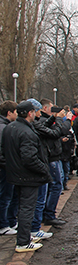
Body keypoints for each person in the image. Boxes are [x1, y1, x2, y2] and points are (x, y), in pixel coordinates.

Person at [1, 101, 51, 252]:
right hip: (28, 176)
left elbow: (5, 151)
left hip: (15, 174)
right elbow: (29, 158)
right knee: (27, 208)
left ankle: (25, 236)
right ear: (30, 113)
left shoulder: (10, 128)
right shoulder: (26, 132)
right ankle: (23, 241)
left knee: (22, 207)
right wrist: (44, 169)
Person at [0, 101, 18, 236]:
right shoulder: (3, 128)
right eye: (15, 112)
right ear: (9, 113)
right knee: (5, 196)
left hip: (6, 166)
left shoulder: (5, 126)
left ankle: (9, 221)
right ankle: (3, 224)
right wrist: (9, 165)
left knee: (8, 195)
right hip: (5, 168)